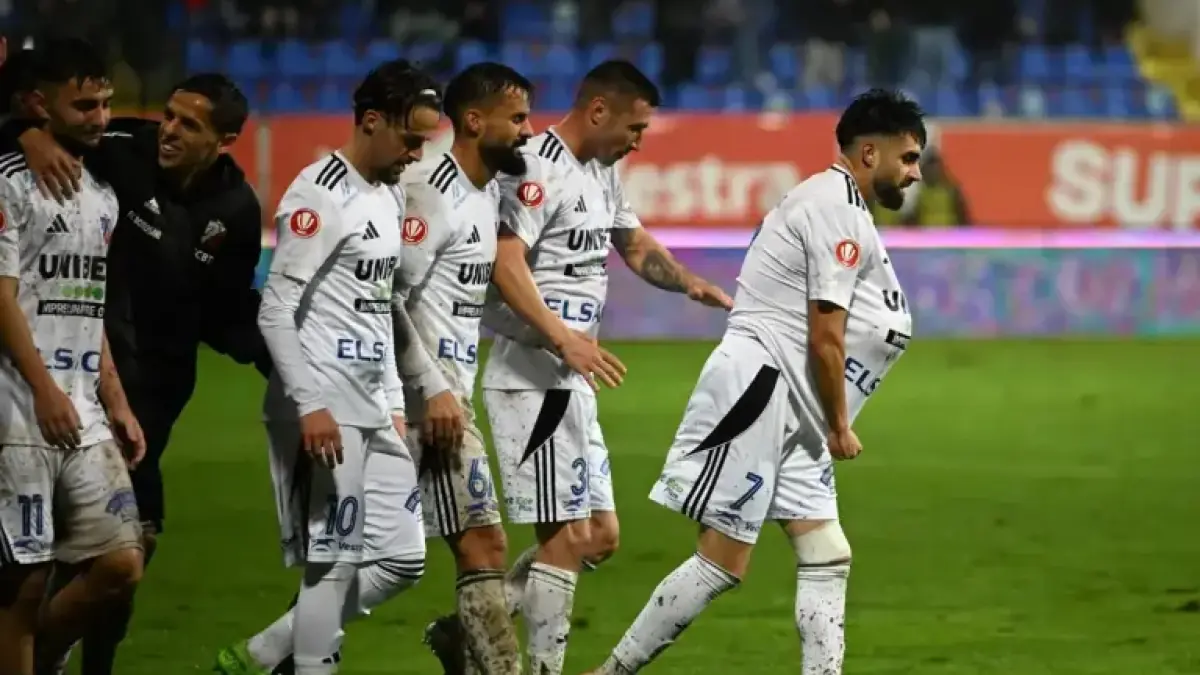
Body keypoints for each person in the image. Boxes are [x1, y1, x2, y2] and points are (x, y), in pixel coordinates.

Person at [582, 89, 925, 675]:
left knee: (827, 553)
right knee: (722, 560)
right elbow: (826, 334)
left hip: (794, 407)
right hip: (762, 390)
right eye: (909, 157)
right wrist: (839, 425)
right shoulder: (835, 208)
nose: (916, 173)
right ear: (870, 153)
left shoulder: (842, 205)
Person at [425, 59, 732, 675]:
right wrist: (563, 338)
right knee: (565, 539)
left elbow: (633, 243)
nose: (639, 141)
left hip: (571, 376)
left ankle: (469, 627)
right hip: (531, 376)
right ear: (598, 111)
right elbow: (506, 261)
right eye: (635, 127)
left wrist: (689, 283)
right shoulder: (536, 167)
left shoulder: (601, 171)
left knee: (600, 536)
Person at [3, 70, 268, 675]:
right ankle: (39, 655)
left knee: (128, 552)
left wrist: (283, 363)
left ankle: (66, 659)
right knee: (85, 552)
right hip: (87, 372)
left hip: (158, 392)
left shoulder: (237, 208)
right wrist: (26, 134)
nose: (169, 130)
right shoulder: (121, 148)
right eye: (170, 115)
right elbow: (53, 133)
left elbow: (226, 311)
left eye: (189, 125)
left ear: (224, 140)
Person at [212, 59, 442, 675]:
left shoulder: (390, 193)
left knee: (402, 558)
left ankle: (260, 655)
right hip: (322, 403)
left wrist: (394, 404)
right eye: (410, 138)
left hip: (370, 404)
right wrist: (310, 404)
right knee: (334, 559)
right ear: (371, 121)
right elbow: (275, 311)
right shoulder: (317, 194)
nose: (417, 154)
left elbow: (378, 306)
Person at [0, 39, 145, 675]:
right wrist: (43, 390)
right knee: (24, 585)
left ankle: (42, 658)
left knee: (121, 563)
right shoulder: (10, 182)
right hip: (18, 411)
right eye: (84, 105)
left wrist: (115, 400)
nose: (100, 118)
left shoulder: (102, 192)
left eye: (105, 104)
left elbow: (88, 305)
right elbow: (1, 297)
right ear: (39, 104)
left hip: (82, 408)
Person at [389, 62, 534, 675]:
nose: (529, 130)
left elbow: (465, 302)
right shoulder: (429, 189)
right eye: (517, 118)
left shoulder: (485, 193)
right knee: (481, 545)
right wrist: (429, 391)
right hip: (419, 403)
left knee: (368, 566)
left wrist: (550, 338)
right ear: (474, 121)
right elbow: (387, 298)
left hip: (447, 400)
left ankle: (281, 653)